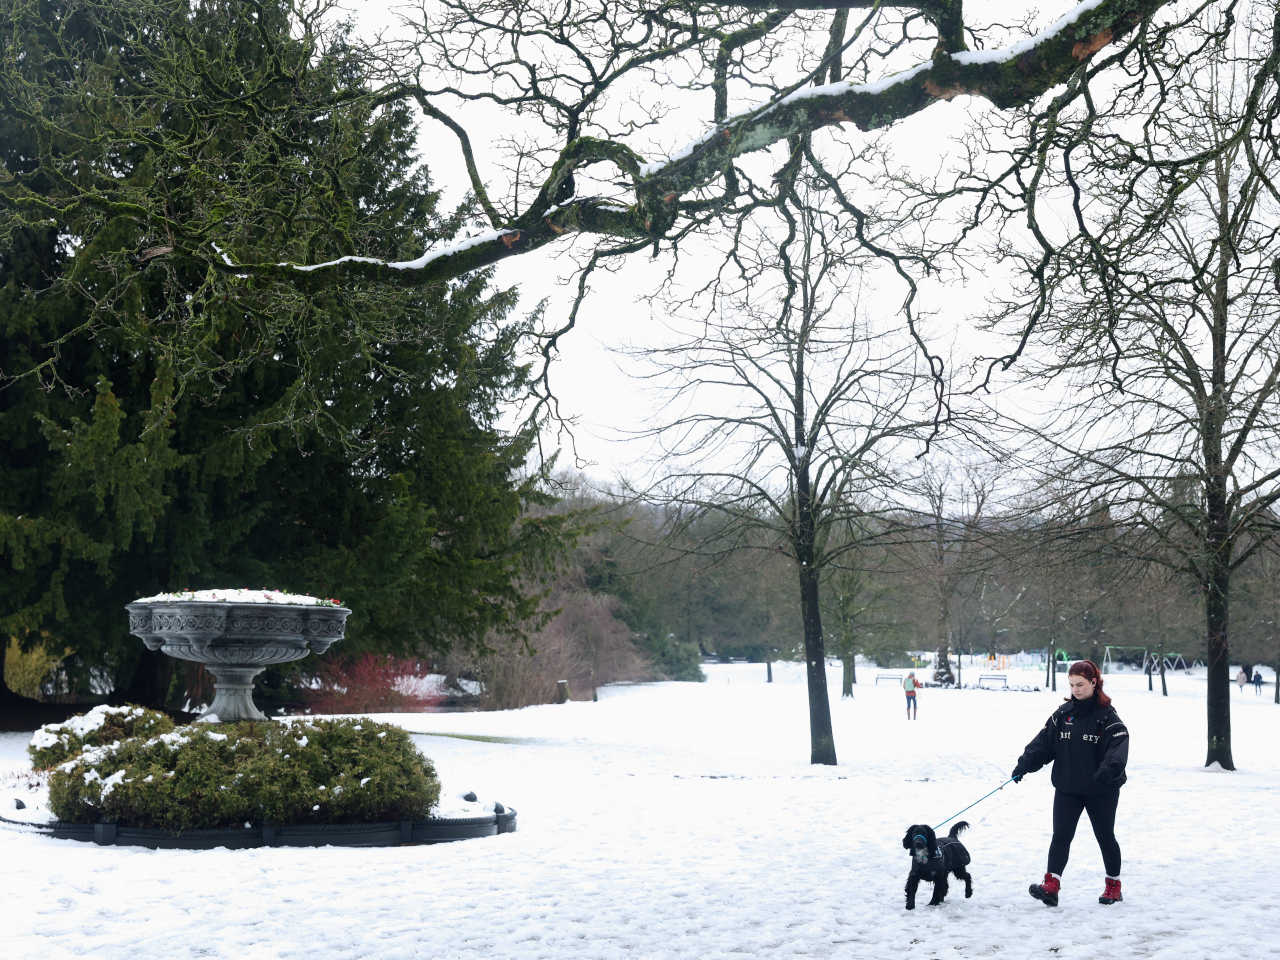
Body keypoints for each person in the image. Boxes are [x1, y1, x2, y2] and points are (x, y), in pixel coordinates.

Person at [1011, 660, 1129, 908]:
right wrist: (1024, 764)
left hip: (1101, 789)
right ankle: (1051, 886)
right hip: (1068, 787)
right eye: (1072, 685)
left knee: (1105, 836)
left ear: (1093, 683)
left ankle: (1113, 886)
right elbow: (1043, 744)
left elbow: (1118, 747)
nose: (1075, 690)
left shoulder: (1107, 717)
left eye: (1080, 684)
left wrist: (1108, 770)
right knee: (1060, 836)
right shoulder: (1063, 715)